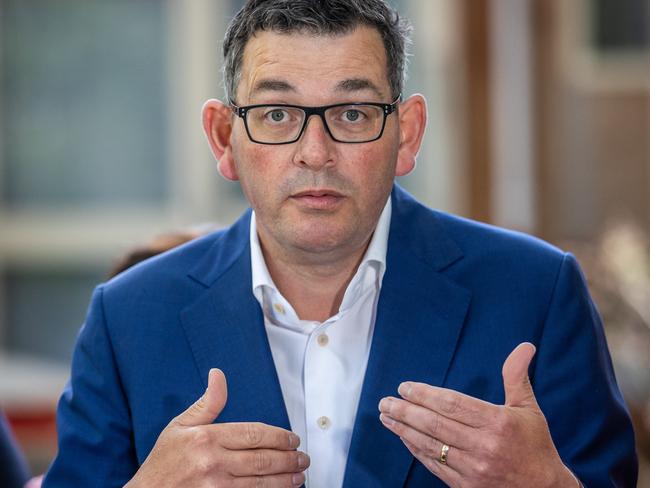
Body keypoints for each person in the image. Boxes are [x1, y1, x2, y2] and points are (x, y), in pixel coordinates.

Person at [43, 1, 637, 486]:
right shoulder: (127, 319)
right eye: (277, 114)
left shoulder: (537, 292)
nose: (315, 152)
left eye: (352, 113)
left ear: (407, 135)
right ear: (225, 139)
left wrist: (551, 487)